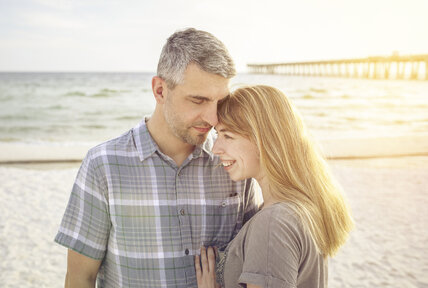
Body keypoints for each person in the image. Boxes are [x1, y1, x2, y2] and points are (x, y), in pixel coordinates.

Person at [54, 28, 261, 288]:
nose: (213, 118)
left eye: (219, 102)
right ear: (160, 90)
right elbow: (80, 278)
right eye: (198, 100)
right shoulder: (103, 165)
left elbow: (253, 265)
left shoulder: (235, 164)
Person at [195, 85, 354, 288]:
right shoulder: (298, 209)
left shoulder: (274, 223)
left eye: (228, 136)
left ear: (264, 140)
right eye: (217, 135)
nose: (216, 148)